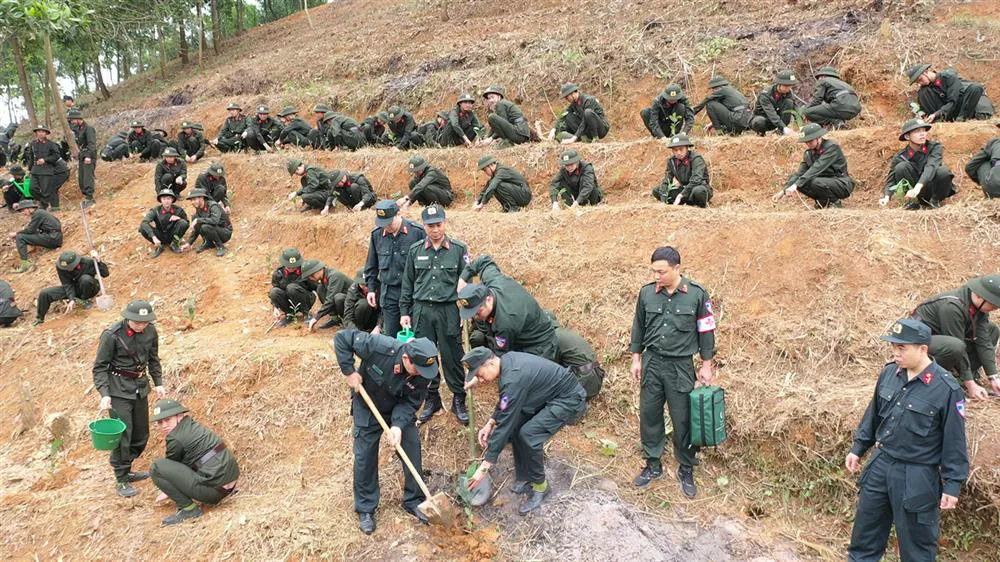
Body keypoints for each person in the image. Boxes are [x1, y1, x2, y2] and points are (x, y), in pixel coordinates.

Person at [846, 318, 968, 562]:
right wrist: (858, 448)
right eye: (894, 347)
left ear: (923, 348)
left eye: (902, 348)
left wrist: (952, 484)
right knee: (864, 540)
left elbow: (954, 441)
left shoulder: (947, 388)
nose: (896, 353)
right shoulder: (890, 373)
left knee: (917, 549)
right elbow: (873, 415)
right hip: (881, 464)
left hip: (916, 475)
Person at [333, 329, 440, 534]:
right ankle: (365, 508)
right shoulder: (380, 347)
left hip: (398, 408)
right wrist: (349, 371)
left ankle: (413, 500)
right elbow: (342, 338)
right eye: (416, 369)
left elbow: (412, 401)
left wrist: (398, 426)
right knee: (364, 456)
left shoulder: (425, 371)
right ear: (406, 358)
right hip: (368, 404)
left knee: (412, 449)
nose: (419, 374)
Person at [630, 246, 716, 497]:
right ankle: (653, 463)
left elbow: (706, 330)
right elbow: (638, 326)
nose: (658, 276)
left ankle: (686, 466)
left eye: (662, 272)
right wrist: (636, 358)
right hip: (652, 362)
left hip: (680, 366)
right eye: (654, 271)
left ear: (677, 268)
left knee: (683, 418)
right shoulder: (647, 293)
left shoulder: (697, 295)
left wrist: (706, 364)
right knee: (649, 414)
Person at [463, 346, 586, 514]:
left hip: (568, 399)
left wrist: (484, 467)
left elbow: (505, 421)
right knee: (516, 429)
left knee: (529, 435)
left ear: (490, 363)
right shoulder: (507, 362)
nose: (480, 380)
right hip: (548, 395)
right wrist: (490, 423)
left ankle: (541, 487)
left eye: (479, 374)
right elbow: (507, 403)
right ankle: (526, 476)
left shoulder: (513, 378)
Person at [400, 204, 470, 425]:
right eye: (430, 226)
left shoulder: (459, 250)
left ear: (445, 223)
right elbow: (407, 284)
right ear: (424, 226)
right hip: (422, 310)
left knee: (452, 356)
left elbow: (466, 283)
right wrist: (405, 312)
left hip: (448, 310)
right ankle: (432, 398)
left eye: (438, 225)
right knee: (424, 355)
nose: (435, 230)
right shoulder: (416, 250)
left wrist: (464, 308)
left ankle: (458, 398)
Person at [93, 299, 165, 497]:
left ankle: (127, 466)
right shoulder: (112, 335)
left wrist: (158, 382)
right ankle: (121, 477)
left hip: (140, 387)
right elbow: (100, 367)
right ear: (127, 318)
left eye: (145, 322)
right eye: (137, 322)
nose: (142, 325)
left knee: (141, 433)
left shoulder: (151, 331)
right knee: (123, 435)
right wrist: (104, 394)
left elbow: (153, 359)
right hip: (117, 390)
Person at [149, 399, 240, 525]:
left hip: (215, 492)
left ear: (179, 416)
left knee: (156, 468)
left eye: (168, 420)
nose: (164, 425)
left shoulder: (175, 438)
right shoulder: (192, 425)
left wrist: (168, 492)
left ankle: (189, 509)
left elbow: (172, 470)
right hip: (230, 482)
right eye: (160, 422)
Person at [912, 275, 1000, 401]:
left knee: (992, 330)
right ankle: (942, 381)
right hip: (916, 344)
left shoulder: (978, 307)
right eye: (993, 305)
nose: (995, 309)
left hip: (941, 341)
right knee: (955, 346)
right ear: (980, 296)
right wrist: (971, 385)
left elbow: (983, 340)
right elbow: (957, 344)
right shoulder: (952, 307)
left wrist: (993, 377)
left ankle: (959, 379)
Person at [457, 255, 558, 361]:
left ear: (488, 299)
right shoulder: (493, 280)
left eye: (477, 312)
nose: (475, 316)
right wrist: (463, 278)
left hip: (540, 348)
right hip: (521, 337)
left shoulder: (504, 323)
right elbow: (483, 261)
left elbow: (502, 358)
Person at [364, 200, 426, 338]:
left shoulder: (417, 233)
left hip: (413, 293)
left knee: (415, 336)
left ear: (399, 214)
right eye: (382, 224)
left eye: (389, 222)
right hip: (389, 293)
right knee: (391, 337)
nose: (386, 227)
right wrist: (371, 289)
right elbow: (371, 264)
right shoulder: (377, 235)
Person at [880, 118, 956, 210]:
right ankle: (912, 202)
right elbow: (891, 179)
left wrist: (918, 187)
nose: (922, 134)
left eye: (924, 131)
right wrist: (886, 197)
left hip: (932, 187)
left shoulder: (935, 147)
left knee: (943, 171)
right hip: (913, 193)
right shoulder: (901, 156)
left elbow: (931, 167)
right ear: (907, 136)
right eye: (917, 131)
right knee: (901, 167)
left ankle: (935, 202)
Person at [773, 123, 854, 208]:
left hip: (841, 183)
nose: (808, 144)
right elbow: (799, 173)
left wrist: (795, 185)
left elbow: (816, 168)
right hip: (824, 182)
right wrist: (784, 190)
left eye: (810, 140)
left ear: (819, 137)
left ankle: (834, 202)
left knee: (810, 181)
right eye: (806, 142)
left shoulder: (831, 147)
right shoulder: (809, 153)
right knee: (798, 180)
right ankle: (823, 202)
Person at [34, 250, 109, 325]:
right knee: (45, 293)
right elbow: (67, 284)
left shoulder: (87, 262)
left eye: (69, 267)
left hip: (90, 287)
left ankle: (85, 300)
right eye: (66, 268)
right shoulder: (61, 267)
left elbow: (105, 274)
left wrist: (98, 261)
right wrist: (71, 299)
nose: (67, 269)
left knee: (85, 279)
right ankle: (40, 318)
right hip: (74, 288)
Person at [906, 63, 994, 123]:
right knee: (922, 93)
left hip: (963, 106)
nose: (920, 83)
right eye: (917, 82)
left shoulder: (948, 77)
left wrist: (936, 114)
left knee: (975, 88)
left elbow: (953, 100)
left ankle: (962, 119)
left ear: (926, 72)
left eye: (920, 80)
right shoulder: (925, 90)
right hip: (947, 113)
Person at [651, 134, 712, 208]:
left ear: (687, 148)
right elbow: (667, 179)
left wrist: (680, 195)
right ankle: (685, 201)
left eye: (681, 149)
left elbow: (696, 180)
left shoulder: (696, 159)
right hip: (683, 189)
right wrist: (663, 199)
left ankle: (696, 204)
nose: (678, 152)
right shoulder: (672, 161)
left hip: (699, 186)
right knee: (657, 190)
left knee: (699, 192)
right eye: (675, 150)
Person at [8, 199, 62, 273]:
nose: (23, 213)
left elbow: (30, 230)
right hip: (55, 237)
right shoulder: (40, 212)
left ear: (29, 208)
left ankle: (25, 264)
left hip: (53, 238)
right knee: (22, 235)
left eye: (23, 210)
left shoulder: (38, 214)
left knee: (20, 237)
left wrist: (16, 234)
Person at [301, 259, 353, 331]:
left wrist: (316, 317)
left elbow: (330, 299)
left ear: (316, 272)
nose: (310, 279)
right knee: (320, 289)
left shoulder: (335, 276)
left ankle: (348, 323)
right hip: (345, 301)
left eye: (310, 276)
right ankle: (335, 319)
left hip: (353, 305)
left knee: (338, 298)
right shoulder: (325, 278)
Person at [27, 125, 70, 210]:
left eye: (42, 132)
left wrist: (45, 160)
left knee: (46, 190)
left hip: (47, 169)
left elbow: (56, 156)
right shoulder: (33, 144)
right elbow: (31, 157)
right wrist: (30, 168)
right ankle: (43, 202)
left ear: (46, 133)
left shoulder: (51, 144)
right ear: (36, 133)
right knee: (32, 188)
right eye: (38, 131)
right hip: (35, 170)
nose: (40, 133)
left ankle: (46, 205)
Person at [180, 189, 232, 257]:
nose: (192, 202)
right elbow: (196, 228)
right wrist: (189, 242)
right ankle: (208, 242)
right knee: (196, 219)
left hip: (225, 232)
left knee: (204, 226)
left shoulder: (213, 206)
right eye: (191, 200)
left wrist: (198, 220)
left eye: (194, 199)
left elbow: (214, 220)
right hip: (214, 229)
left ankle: (220, 246)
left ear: (201, 198)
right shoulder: (199, 208)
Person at [269, 248, 313, 327]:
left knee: (291, 287)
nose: (292, 268)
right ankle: (290, 315)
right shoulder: (278, 274)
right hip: (288, 301)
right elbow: (275, 291)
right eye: (289, 267)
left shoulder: (305, 270)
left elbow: (316, 287)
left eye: (294, 266)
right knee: (274, 292)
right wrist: (275, 308)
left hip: (305, 300)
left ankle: (306, 314)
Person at [140, 189, 189, 258]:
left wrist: (179, 219)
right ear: (160, 200)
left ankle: (174, 244)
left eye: (168, 198)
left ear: (172, 199)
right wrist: (154, 237)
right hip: (160, 235)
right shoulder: (155, 210)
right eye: (164, 199)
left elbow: (187, 223)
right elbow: (144, 222)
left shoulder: (178, 210)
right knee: (142, 228)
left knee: (183, 223)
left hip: (173, 235)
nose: (166, 201)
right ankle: (159, 246)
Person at [750, 71, 801, 136]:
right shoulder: (766, 95)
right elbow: (771, 113)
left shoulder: (788, 93)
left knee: (789, 102)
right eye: (786, 86)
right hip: (763, 119)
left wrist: (801, 125)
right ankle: (761, 135)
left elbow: (795, 109)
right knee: (759, 121)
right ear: (779, 84)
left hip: (776, 121)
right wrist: (784, 128)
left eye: (790, 86)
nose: (789, 89)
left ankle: (780, 132)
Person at [67, 109, 97, 208]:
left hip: (89, 155)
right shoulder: (79, 129)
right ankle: (86, 197)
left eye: (72, 120)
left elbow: (92, 144)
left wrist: (88, 156)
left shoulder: (88, 128)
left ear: (78, 118)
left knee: (88, 177)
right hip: (82, 155)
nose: (71, 122)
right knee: (82, 178)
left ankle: (90, 198)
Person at [965, 120, 1000, 199]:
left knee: (982, 163)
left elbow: (970, 167)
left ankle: (990, 187)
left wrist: (982, 182)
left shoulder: (995, 142)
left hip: (994, 190)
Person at [344, 268, 380, 332]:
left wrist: (379, 326)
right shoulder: (353, 289)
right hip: (361, 319)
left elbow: (384, 311)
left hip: (375, 318)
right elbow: (348, 314)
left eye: (368, 284)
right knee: (363, 304)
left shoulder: (380, 287)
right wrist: (355, 331)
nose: (366, 287)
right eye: (362, 285)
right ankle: (360, 329)